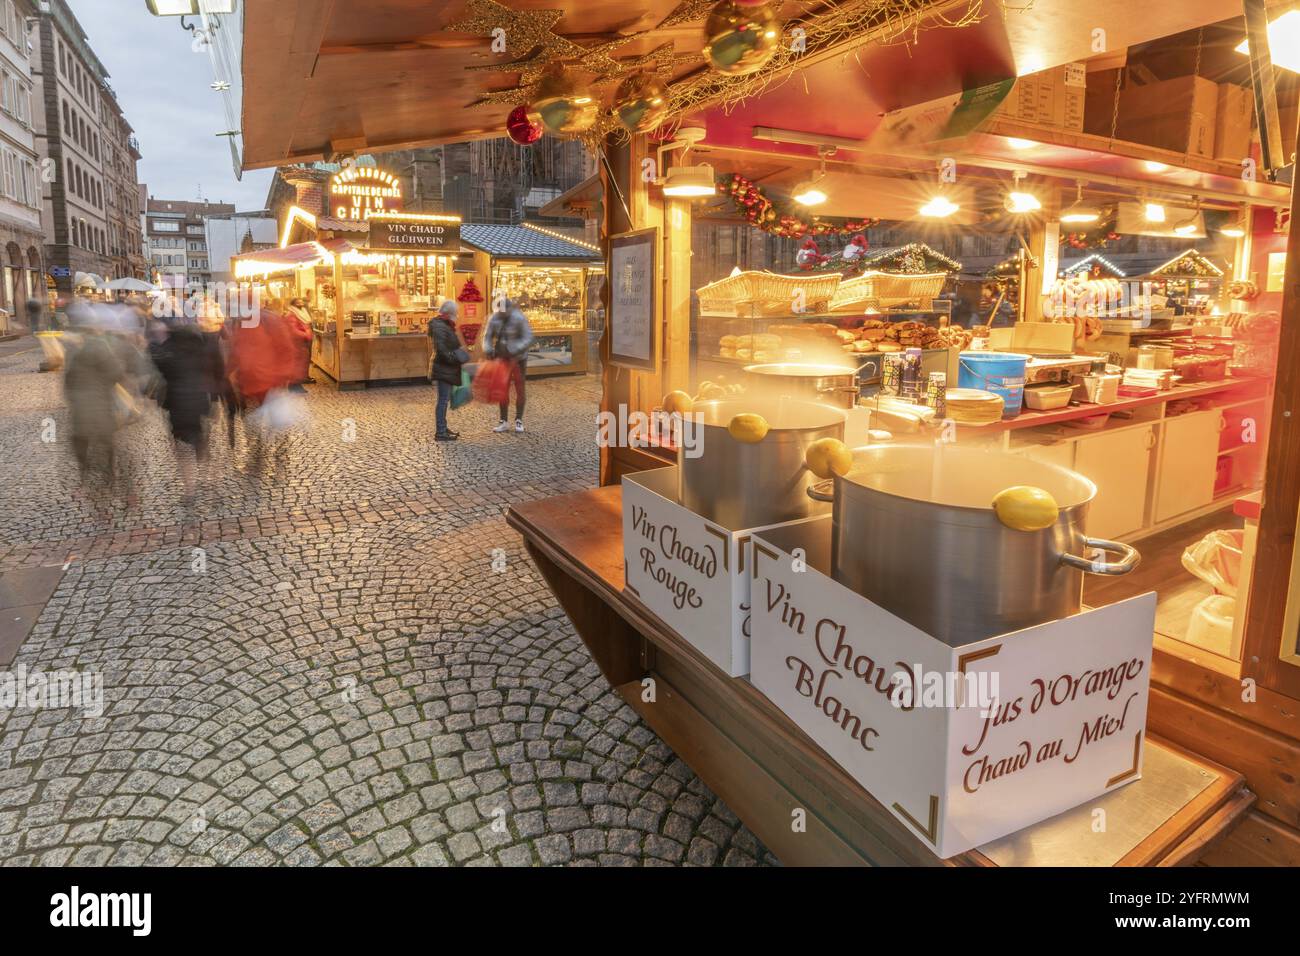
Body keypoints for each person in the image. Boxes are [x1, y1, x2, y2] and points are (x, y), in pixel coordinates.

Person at [151, 320, 225, 501]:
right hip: (200, 401)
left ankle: (189, 490)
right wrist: (215, 401)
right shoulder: (203, 350)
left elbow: (159, 367)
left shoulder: (169, 352)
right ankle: (210, 476)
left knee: (183, 448)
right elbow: (217, 373)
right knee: (200, 439)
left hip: (177, 404)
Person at [63, 311, 127, 495]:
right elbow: (115, 373)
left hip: (80, 406)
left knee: (81, 442)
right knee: (105, 441)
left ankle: (84, 480)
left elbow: (68, 380)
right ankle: (108, 476)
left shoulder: (73, 350)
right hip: (100, 403)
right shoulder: (100, 346)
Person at [482, 297, 534, 433]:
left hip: (518, 358)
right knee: (502, 388)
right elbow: (487, 336)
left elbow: (528, 337)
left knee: (520, 388)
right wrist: (488, 349)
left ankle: (519, 420)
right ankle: (503, 421)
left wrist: (515, 349)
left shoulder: (519, 318)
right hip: (502, 357)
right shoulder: (494, 318)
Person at [427, 300, 466, 442]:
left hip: (445, 367)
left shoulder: (444, 325)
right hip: (443, 367)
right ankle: (441, 432)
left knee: (444, 399)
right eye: (455, 313)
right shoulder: (440, 326)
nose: (457, 315)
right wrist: (454, 358)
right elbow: (442, 349)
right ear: (449, 313)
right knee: (443, 401)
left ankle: (443, 427)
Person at [285, 296, 315, 387]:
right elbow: (293, 330)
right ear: (293, 304)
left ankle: (303, 377)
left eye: (301, 302)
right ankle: (295, 383)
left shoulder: (301, 312)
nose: (301, 304)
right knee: (299, 362)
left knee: (305, 360)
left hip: (304, 342)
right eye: (298, 302)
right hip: (298, 343)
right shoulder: (291, 315)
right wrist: (306, 334)